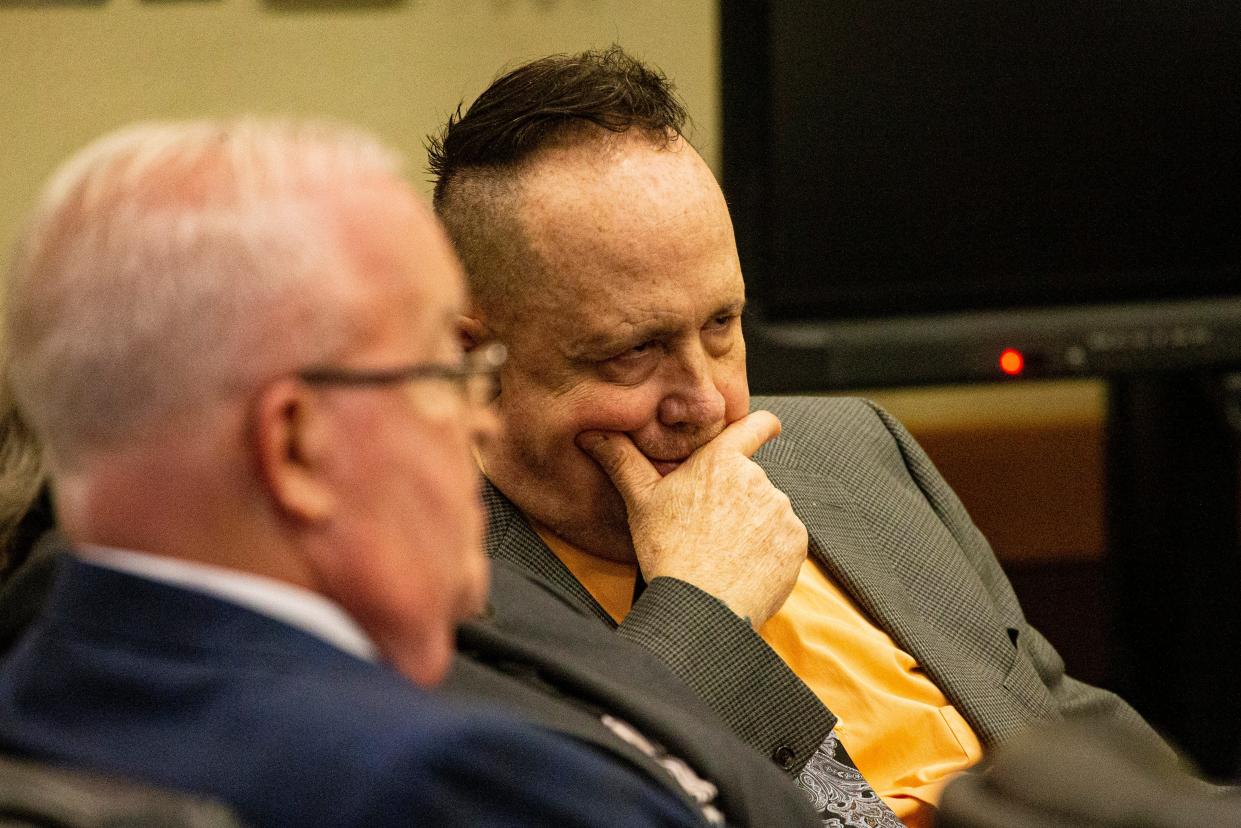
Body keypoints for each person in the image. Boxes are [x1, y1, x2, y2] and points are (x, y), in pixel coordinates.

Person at [428, 47, 1179, 827]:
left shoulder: (847, 449)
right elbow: (569, 805)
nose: (708, 401)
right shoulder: (423, 593)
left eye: (721, 324)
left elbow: (1065, 721)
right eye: (633, 351)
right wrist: (701, 609)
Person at [0, 118, 724, 827]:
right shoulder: (464, 784)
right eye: (445, 374)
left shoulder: (28, 704)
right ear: (295, 447)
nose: (479, 418)